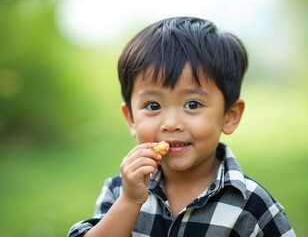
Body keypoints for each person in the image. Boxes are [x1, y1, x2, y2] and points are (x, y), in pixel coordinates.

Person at [67, 17, 295, 237]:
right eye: (153, 105)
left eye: (192, 104)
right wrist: (129, 201)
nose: (171, 124)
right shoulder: (120, 190)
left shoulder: (252, 206)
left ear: (229, 116)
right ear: (131, 119)